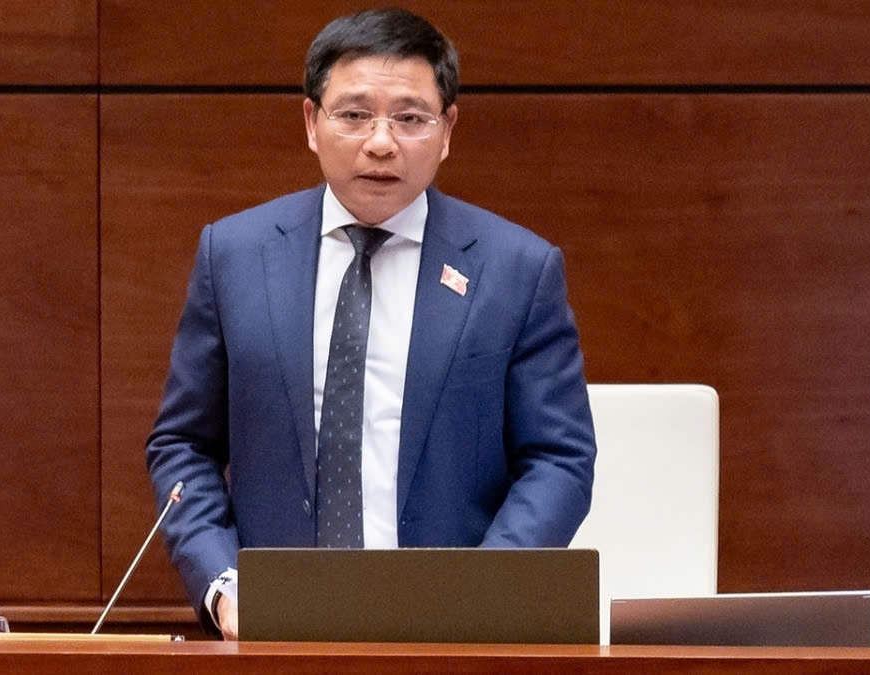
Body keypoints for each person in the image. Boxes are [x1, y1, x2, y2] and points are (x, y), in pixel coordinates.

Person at [146, 7, 596, 640]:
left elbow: (559, 458)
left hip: (454, 636)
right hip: (274, 632)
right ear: (311, 122)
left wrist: (486, 593)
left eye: (410, 118)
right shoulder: (235, 256)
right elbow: (183, 445)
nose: (381, 142)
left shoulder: (516, 268)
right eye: (354, 114)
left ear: (446, 131)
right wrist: (223, 586)